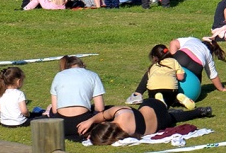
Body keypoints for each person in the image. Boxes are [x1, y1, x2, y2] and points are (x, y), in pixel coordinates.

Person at [80, 98, 212, 145]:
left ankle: (197, 112)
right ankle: (175, 107)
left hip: (161, 123)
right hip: (154, 105)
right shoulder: (121, 113)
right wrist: (90, 121)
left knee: (171, 118)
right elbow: (103, 115)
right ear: (105, 125)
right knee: (152, 106)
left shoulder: (126, 135)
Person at [48, 55, 107, 139]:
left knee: (50, 110)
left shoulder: (58, 76)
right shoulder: (93, 75)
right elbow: (100, 108)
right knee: (105, 114)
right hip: (83, 124)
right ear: (83, 65)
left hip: (62, 125)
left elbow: (54, 110)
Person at [143, 44, 194, 108]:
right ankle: (177, 99)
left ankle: (159, 100)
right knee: (171, 100)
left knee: (152, 100)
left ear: (154, 57)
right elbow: (181, 77)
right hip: (170, 88)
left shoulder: (152, 66)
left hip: (153, 88)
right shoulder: (173, 61)